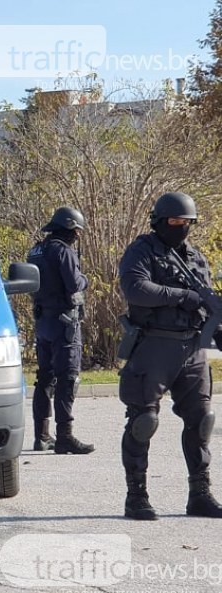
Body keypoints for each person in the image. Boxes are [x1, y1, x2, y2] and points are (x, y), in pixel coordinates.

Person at [118, 192, 222, 520]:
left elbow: (206, 303)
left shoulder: (195, 257)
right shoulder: (142, 250)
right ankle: (137, 496)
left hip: (192, 348)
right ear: (160, 221)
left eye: (188, 222)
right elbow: (136, 289)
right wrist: (181, 297)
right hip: (153, 346)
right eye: (176, 222)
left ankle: (200, 495)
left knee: (202, 421)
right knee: (143, 422)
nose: (182, 227)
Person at [26, 207, 94, 454]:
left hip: (43, 321)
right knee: (67, 379)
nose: (77, 235)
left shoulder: (36, 250)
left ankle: (41, 436)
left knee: (44, 378)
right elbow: (74, 283)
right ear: (69, 228)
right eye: (76, 231)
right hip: (64, 323)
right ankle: (64, 436)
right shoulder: (63, 251)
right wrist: (84, 278)